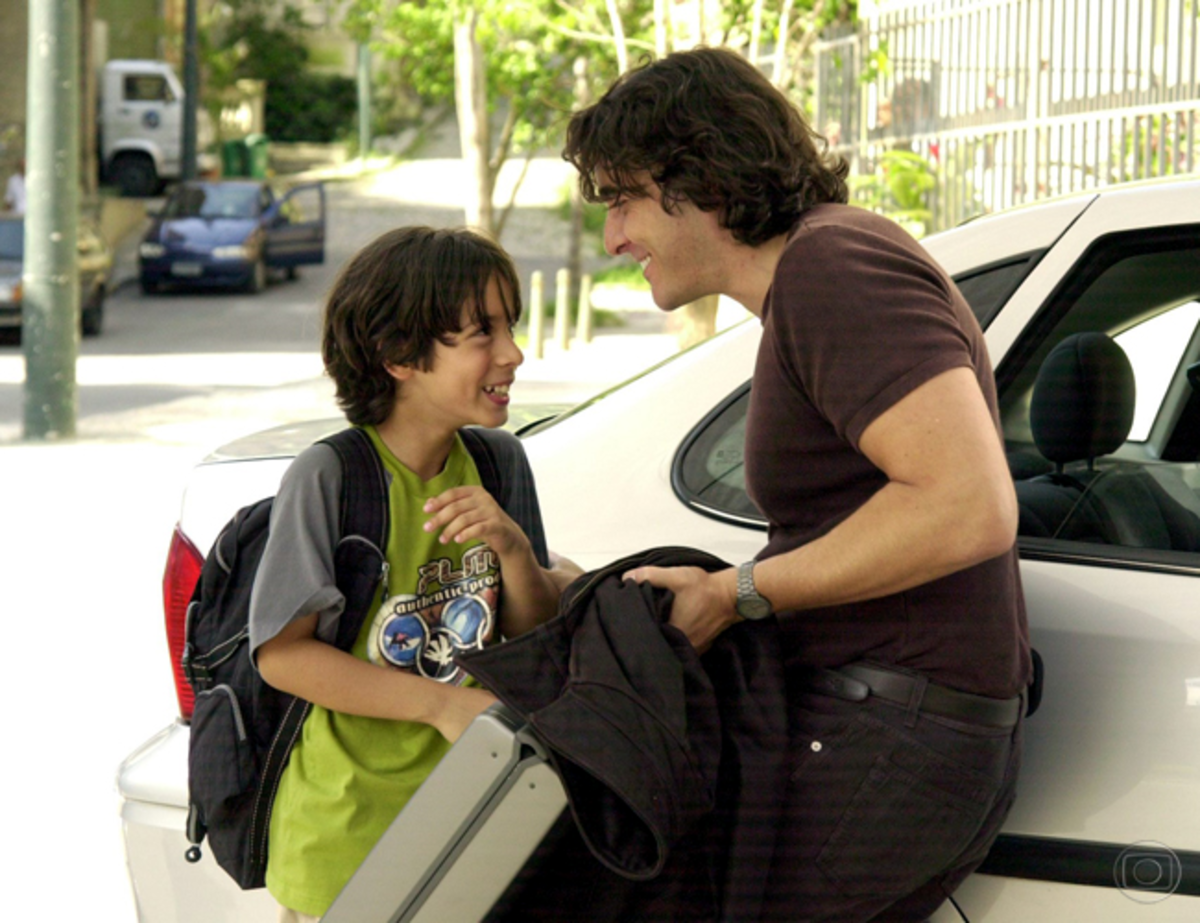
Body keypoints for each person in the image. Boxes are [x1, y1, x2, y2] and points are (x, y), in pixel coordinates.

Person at [564, 47, 1031, 922]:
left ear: (698, 174)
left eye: (623, 199)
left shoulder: (832, 269)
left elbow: (966, 503)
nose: (614, 236)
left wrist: (737, 593)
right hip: (897, 726)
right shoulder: (824, 268)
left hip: (891, 730)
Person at [249, 226, 575, 923]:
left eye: (509, 327)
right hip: (348, 840)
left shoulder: (497, 463)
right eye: (481, 333)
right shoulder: (333, 476)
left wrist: (514, 552)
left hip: (485, 818)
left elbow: (535, 635)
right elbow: (282, 653)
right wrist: (441, 705)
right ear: (400, 355)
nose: (513, 353)